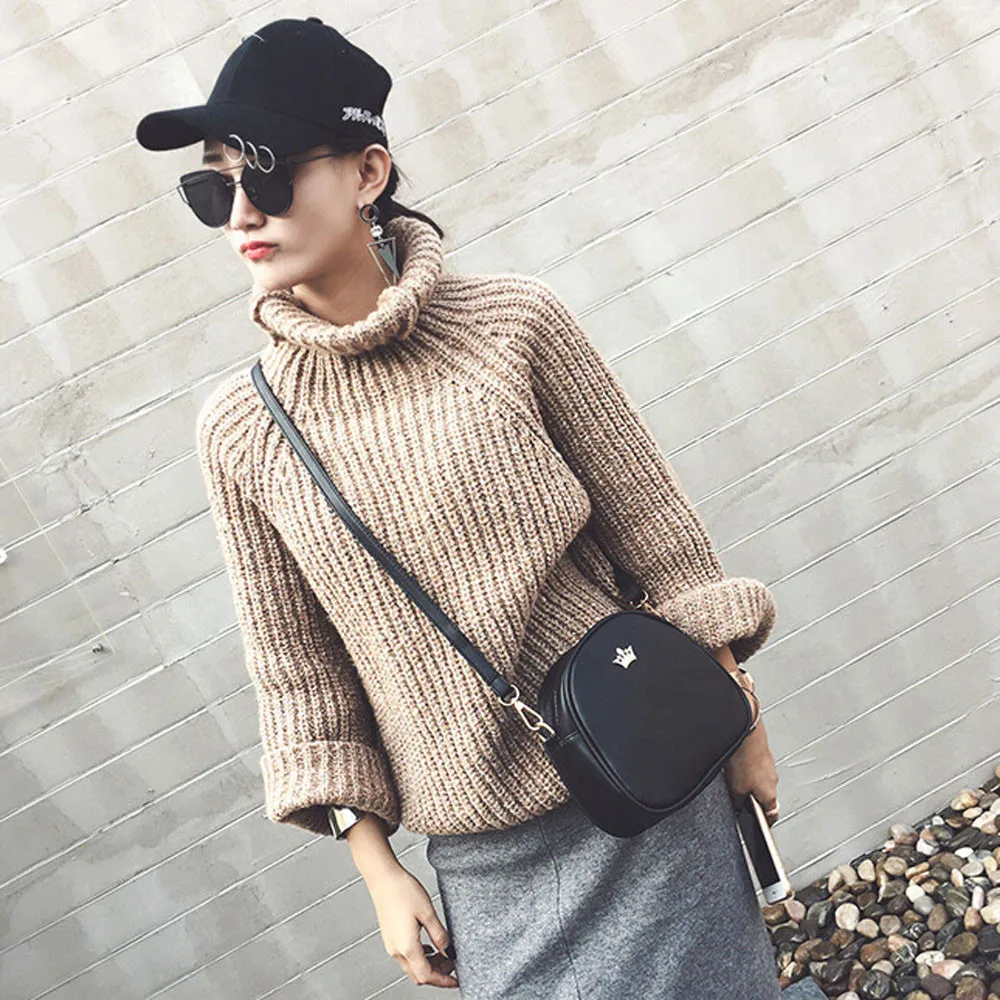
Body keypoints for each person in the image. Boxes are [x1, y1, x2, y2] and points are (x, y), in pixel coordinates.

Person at [136, 16, 783, 998]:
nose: (240, 213)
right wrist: (379, 873)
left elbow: (659, 538)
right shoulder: (244, 430)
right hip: (487, 853)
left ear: (368, 172)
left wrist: (744, 723)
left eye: (264, 172)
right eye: (212, 187)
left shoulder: (513, 324)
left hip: (647, 773)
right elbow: (301, 678)